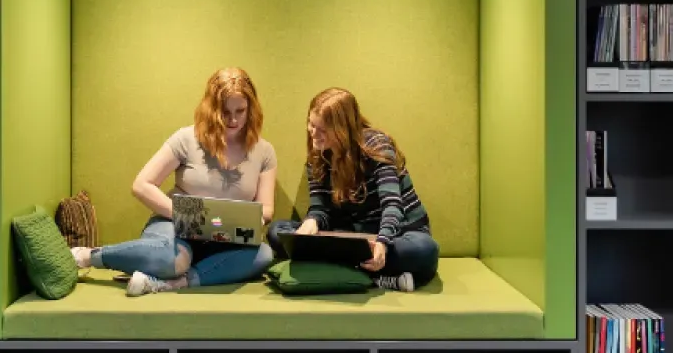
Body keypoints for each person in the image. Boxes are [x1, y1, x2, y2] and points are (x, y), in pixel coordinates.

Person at [71, 67, 278, 296]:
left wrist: (250, 220)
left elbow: (267, 209)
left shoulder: (264, 151)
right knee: (174, 258)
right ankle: (87, 256)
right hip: (174, 228)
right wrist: (188, 218)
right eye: (224, 111)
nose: (232, 119)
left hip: (225, 238)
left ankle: (171, 283)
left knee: (264, 254)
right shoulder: (187, 138)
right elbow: (142, 185)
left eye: (240, 111)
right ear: (211, 108)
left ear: (251, 108)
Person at [267, 87, 439, 292]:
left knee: (424, 250)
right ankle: (377, 278)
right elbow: (320, 209)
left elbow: (392, 205)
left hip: (397, 235)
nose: (313, 133)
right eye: (311, 125)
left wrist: (382, 243)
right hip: (352, 237)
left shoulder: (377, 146)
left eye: (322, 129)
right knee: (277, 232)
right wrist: (311, 222)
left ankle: (345, 271)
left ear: (342, 129)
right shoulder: (317, 158)